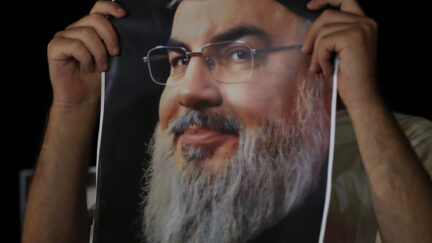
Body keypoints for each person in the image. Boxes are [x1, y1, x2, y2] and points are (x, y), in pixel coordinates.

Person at [22, 0, 432, 243]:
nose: (190, 91)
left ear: (319, 59)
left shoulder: (411, 143)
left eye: (239, 54)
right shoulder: (149, 196)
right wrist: (72, 109)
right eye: (180, 60)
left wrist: (360, 93)